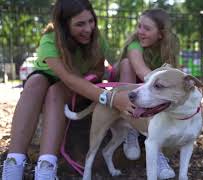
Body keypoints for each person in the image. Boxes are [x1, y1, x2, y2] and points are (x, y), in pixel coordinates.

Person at [1, 0, 132, 179]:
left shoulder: (97, 40)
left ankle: (46, 166)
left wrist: (94, 78)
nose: (88, 29)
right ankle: (13, 164)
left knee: (55, 92)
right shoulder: (49, 41)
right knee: (35, 82)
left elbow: (99, 71)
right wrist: (111, 98)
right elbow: (69, 79)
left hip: (74, 91)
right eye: (80, 24)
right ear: (63, 26)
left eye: (91, 21)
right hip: (53, 82)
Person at [117, 8, 180, 179]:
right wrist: (160, 84)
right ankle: (130, 127)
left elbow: (174, 73)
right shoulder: (134, 45)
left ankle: (157, 152)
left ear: (160, 34)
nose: (140, 32)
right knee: (126, 64)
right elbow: (142, 71)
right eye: (139, 26)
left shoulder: (168, 49)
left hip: (149, 94)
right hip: (129, 90)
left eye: (147, 28)